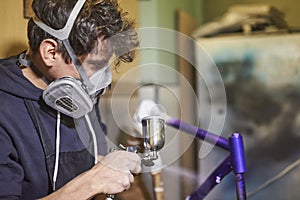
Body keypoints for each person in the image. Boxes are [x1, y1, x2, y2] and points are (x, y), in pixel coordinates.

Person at [0, 0, 142, 199]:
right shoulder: (5, 109)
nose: (102, 79)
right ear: (51, 53)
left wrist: (109, 166)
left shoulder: (79, 92)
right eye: (95, 64)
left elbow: (95, 154)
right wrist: (92, 181)